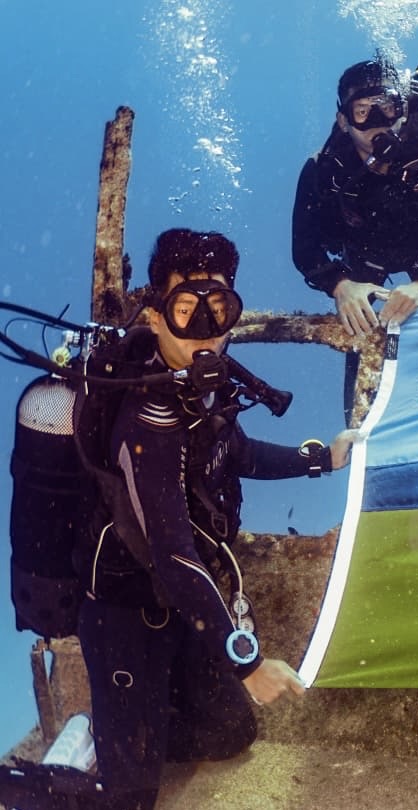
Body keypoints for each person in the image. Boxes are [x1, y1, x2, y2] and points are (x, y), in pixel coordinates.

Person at [0, 229, 359, 810]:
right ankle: (65, 761)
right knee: (130, 801)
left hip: (177, 611)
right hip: (122, 616)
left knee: (231, 732)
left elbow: (238, 454)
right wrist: (246, 662)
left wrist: (320, 459)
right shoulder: (147, 419)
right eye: (187, 310)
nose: (205, 329)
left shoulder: (203, 385)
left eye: (219, 309)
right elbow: (172, 554)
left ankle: (123, 727)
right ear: (155, 315)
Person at [292, 58, 418, 336]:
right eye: (362, 111)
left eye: (386, 107)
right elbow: (304, 246)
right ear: (344, 121)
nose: (377, 122)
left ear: (402, 110)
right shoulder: (323, 168)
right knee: (359, 323)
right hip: (364, 255)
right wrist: (340, 285)